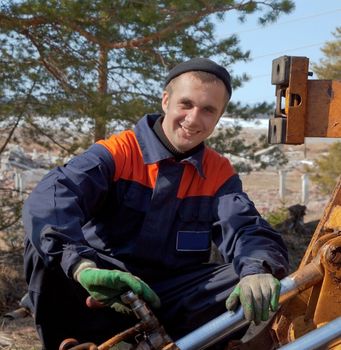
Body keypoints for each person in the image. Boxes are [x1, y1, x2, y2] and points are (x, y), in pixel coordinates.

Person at [23, 57, 289, 350]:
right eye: (186, 104)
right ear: (166, 101)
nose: (193, 119)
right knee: (45, 242)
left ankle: (185, 345)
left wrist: (257, 267)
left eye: (208, 110)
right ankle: (69, 341)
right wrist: (82, 266)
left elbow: (246, 229)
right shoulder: (118, 153)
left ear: (218, 117)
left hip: (169, 302)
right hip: (102, 291)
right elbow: (53, 198)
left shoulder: (218, 173)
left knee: (246, 277)